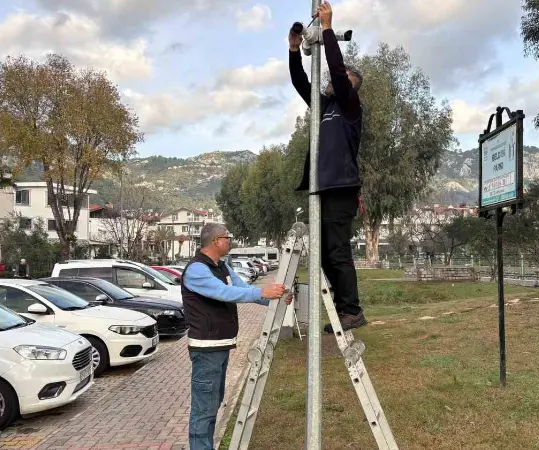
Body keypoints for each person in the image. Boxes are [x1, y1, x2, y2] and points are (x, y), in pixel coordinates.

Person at [288, 1, 367, 333]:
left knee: (336, 249)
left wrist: (329, 29)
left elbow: (336, 69)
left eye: (345, 78)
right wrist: (294, 50)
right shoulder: (324, 108)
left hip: (341, 188)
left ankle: (352, 310)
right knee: (321, 253)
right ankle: (340, 308)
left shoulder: (350, 107)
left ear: (352, 85)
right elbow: (301, 83)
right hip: (322, 188)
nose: (337, 79)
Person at [181, 223, 287, 450]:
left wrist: (273, 298)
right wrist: (261, 291)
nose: (230, 241)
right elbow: (224, 293)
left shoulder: (222, 267)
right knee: (203, 411)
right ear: (216, 241)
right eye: (227, 238)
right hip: (206, 348)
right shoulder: (197, 269)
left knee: (213, 404)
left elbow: (241, 288)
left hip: (220, 346)